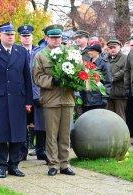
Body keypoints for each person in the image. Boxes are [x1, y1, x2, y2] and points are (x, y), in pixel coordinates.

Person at [0, 22, 33, 178]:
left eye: (12, 34)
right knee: (1, 133)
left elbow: (26, 77)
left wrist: (28, 100)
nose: (11, 37)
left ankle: (14, 165)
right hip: (0, 99)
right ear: (0, 35)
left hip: (18, 98)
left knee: (18, 133)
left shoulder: (21, 52)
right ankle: (2, 165)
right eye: (7, 34)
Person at [33, 24, 76, 176]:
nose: (56, 40)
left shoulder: (69, 53)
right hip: (51, 99)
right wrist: (52, 80)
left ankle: (64, 163)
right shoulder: (41, 55)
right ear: (47, 38)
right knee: (51, 134)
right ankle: (53, 164)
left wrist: (74, 80)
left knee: (65, 133)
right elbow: (37, 77)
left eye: (58, 37)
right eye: (53, 37)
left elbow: (77, 73)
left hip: (67, 98)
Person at [17, 24, 37, 160]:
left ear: (32, 37)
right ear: (20, 38)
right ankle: (22, 151)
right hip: (21, 93)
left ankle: (40, 149)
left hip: (37, 91)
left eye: (28, 36)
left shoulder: (39, 50)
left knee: (38, 122)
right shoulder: (16, 51)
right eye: (24, 36)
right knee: (21, 122)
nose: (26, 38)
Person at [29, 38, 48, 162]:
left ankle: (51, 151)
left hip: (58, 96)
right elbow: (34, 76)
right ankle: (40, 149)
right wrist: (36, 95)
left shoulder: (64, 51)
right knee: (41, 123)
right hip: (41, 94)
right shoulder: (38, 53)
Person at [81, 44, 112, 112]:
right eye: (89, 50)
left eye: (91, 50)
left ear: (98, 52)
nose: (89, 52)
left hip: (98, 100)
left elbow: (108, 82)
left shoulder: (104, 63)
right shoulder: (86, 64)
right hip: (86, 99)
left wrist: (105, 97)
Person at [107, 39, 127, 121]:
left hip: (120, 92)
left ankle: (123, 133)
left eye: (114, 47)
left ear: (120, 47)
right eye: (110, 48)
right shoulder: (105, 58)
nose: (112, 49)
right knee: (109, 116)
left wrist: (111, 78)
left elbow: (125, 70)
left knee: (120, 116)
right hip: (108, 92)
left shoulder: (125, 58)